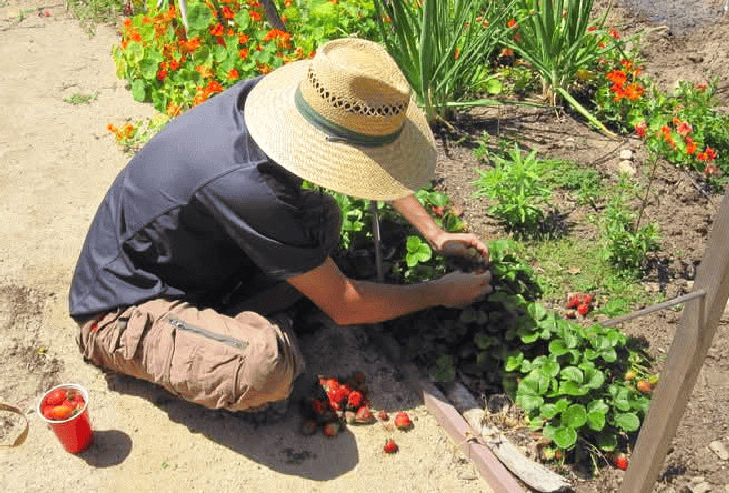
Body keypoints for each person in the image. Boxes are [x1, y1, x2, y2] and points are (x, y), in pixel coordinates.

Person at [68, 38, 492, 413]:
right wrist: (437, 294)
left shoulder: (281, 101)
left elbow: (371, 161)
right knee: (269, 367)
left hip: (186, 260)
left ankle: (227, 326)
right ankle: (243, 338)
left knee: (320, 217)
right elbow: (345, 305)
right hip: (122, 307)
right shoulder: (248, 185)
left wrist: (434, 233)